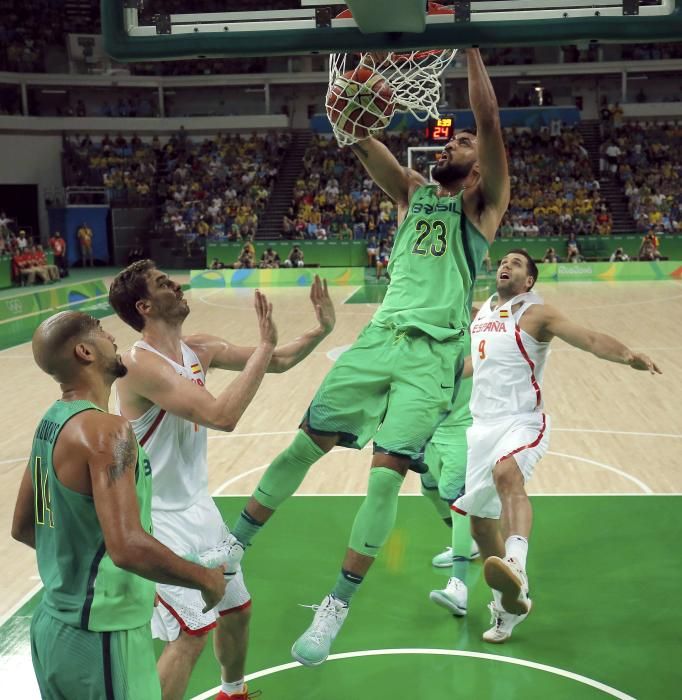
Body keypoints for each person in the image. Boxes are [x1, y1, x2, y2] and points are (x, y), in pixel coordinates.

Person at [229, 47, 509, 667]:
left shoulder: (483, 207)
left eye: (458, 144)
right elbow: (360, 141)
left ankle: (335, 610)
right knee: (301, 446)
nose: (448, 147)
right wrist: (351, 108)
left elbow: (488, 124)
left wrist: (470, 46)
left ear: (478, 166)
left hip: (432, 358)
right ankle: (231, 549)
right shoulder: (411, 191)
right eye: (446, 142)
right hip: (379, 339)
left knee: (384, 476)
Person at [109, 261, 336, 700]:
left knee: (236, 609)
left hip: (199, 508)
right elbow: (222, 416)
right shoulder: (138, 364)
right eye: (162, 284)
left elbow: (279, 359)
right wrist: (265, 346)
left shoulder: (199, 348)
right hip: (157, 517)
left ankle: (233, 692)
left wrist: (319, 331)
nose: (176, 284)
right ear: (145, 306)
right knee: (191, 634)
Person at [11, 311, 226, 700]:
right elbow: (126, 546)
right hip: (103, 637)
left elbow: (24, 527)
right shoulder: (109, 430)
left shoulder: (52, 422)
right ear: (85, 351)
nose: (113, 337)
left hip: (53, 628)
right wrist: (204, 578)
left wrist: (78, 569)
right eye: (102, 332)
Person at [452, 249, 660, 643]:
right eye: (504, 261)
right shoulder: (483, 313)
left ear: (529, 280)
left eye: (516, 262)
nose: (506, 264)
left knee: (507, 473)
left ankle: (517, 563)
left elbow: (591, 338)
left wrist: (628, 355)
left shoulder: (537, 314)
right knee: (480, 525)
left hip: (522, 420)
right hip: (481, 427)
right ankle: (508, 607)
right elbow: (476, 364)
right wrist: (439, 379)